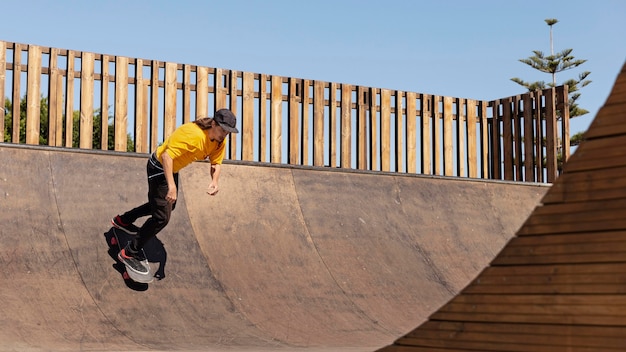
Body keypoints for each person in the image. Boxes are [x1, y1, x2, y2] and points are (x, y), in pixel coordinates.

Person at [112, 108, 238, 274]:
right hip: (158, 166)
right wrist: (171, 186)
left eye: (228, 132)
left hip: (172, 169)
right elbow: (167, 157)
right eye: (222, 130)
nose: (224, 135)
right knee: (162, 217)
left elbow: (216, 163)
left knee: (165, 205)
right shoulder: (192, 134)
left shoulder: (219, 142)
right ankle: (129, 253)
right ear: (213, 124)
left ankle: (123, 220)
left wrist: (214, 180)